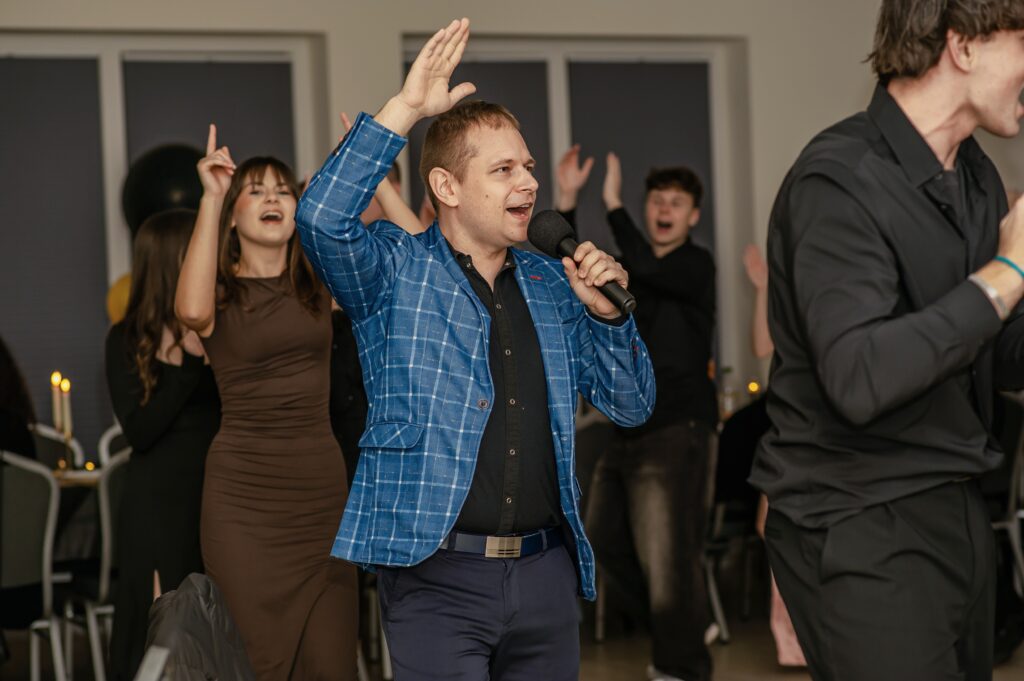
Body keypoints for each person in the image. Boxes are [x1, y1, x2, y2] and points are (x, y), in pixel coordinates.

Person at [296, 18, 655, 681]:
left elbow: (632, 405)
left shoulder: (554, 283)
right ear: (447, 187)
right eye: (503, 169)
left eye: (528, 167)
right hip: (435, 575)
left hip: (546, 574)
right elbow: (320, 218)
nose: (528, 183)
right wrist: (406, 109)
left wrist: (608, 318)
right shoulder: (395, 271)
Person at [749, 1, 1024, 679]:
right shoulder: (838, 180)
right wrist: (1008, 272)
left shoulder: (977, 176)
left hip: (955, 503)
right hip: (856, 519)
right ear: (963, 45)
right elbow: (859, 376)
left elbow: (998, 353)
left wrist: (1010, 286)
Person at [175, 128, 357, 680]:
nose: (273, 198)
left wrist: (357, 170)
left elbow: (389, 251)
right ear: (234, 215)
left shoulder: (319, 284)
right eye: (255, 191)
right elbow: (189, 313)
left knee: (331, 665)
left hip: (321, 499)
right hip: (243, 505)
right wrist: (212, 197)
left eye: (283, 190)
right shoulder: (217, 294)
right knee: (255, 664)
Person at [556, 145, 717, 681]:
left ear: (693, 215)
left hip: (678, 427)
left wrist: (612, 203)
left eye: (676, 202)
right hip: (628, 428)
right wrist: (570, 201)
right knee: (601, 537)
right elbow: (573, 275)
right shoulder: (636, 271)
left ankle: (680, 665)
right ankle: (687, 619)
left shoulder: (694, 265)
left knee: (669, 557)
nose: (664, 209)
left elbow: (643, 267)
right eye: (656, 201)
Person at [104, 209, 221, 681]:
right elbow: (141, 431)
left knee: (212, 630)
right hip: (157, 505)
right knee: (160, 632)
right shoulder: (126, 339)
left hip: (214, 497)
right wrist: (189, 363)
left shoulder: (220, 327)